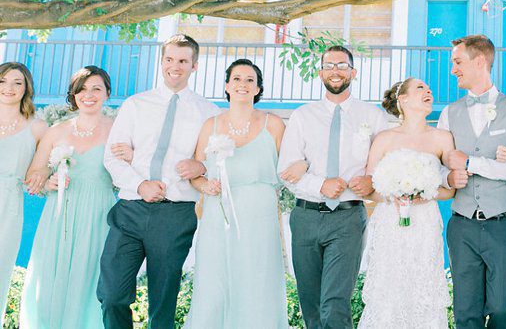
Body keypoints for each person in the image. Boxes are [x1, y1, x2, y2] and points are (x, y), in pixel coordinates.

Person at [98, 35, 219, 329]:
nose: (174, 66)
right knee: (112, 294)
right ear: (161, 61)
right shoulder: (135, 105)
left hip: (175, 214)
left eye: (182, 61)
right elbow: (112, 158)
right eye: (169, 59)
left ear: (194, 66)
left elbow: (217, 162)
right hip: (131, 209)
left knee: (162, 302)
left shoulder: (209, 112)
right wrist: (141, 185)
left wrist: (201, 164)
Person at [277, 45, 390, 329]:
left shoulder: (372, 117)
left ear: (353, 72)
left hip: (348, 217)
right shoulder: (303, 116)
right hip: (305, 217)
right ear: (320, 73)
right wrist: (320, 185)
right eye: (329, 65)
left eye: (342, 65)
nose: (335, 71)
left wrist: (371, 181)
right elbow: (286, 171)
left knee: (335, 301)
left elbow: (385, 166)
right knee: (311, 303)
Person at [184, 59, 288, 328]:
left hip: (260, 212)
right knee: (216, 280)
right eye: (237, 79)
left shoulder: (274, 125)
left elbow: (289, 171)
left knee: (258, 277)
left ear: (258, 88)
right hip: (219, 214)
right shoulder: (211, 125)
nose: (243, 84)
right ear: (228, 85)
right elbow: (197, 172)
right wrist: (206, 186)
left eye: (250, 80)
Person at [438, 35, 506, 329]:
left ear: (480, 62)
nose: (453, 69)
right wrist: (449, 176)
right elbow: (438, 165)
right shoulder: (448, 113)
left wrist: (470, 163)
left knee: (503, 307)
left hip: (503, 224)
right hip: (462, 224)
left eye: (458, 61)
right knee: (466, 313)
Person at [19, 66, 117, 329]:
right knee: (50, 277)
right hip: (59, 216)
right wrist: (48, 181)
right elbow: (34, 174)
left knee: (90, 279)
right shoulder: (56, 131)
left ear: (107, 93)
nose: (89, 94)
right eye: (82, 89)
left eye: (97, 88)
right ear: (73, 95)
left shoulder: (117, 130)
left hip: (98, 215)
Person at [358, 78, 455, 328]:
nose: (429, 91)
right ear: (403, 100)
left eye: (429, 89)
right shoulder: (383, 139)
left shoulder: (443, 137)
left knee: (423, 286)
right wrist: (393, 195)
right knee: (390, 289)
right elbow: (370, 190)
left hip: (425, 224)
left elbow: (451, 191)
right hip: (391, 224)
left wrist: (428, 193)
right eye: (421, 88)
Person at [0, 62, 47, 326]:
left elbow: (40, 171)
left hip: (8, 207)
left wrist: (45, 177)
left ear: (26, 88)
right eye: (3, 81)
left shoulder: (37, 127)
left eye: (17, 82)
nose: (9, 88)